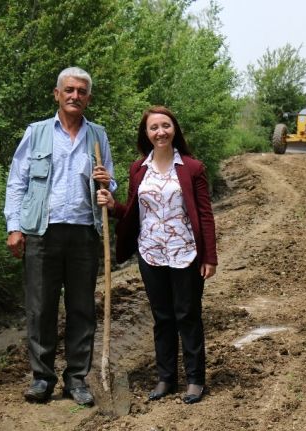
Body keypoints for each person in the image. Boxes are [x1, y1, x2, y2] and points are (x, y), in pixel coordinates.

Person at [3, 66, 116, 406]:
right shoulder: (36, 133)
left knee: (82, 307)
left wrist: (106, 187)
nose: (75, 96)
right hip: (42, 232)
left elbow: (110, 184)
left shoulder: (98, 136)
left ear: (88, 98)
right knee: (40, 308)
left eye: (81, 91)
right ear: (57, 94)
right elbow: (17, 182)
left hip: (84, 233)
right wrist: (14, 226)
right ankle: (42, 378)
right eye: (69, 90)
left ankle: (76, 379)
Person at [96, 105, 217, 404]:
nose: (160, 132)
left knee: (187, 315)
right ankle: (166, 378)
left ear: (174, 129)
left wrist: (209, 257)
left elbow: (205, 214)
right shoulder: (138, 169)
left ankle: (194, 379)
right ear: (146, 134)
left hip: (186, 253)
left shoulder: (192, 167)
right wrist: (113, 206)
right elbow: (135, 213)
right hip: (150, 253)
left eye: (165, 125)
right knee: (162, 317)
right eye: (154, 127)